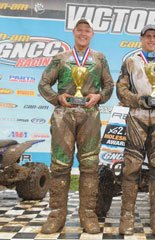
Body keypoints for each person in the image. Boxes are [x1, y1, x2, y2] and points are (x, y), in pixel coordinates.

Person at [38, 18, 114, 234]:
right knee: (60, 165)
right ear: (74, 33)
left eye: (87, 31)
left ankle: (88, 215)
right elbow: (43, 84)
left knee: (90, 166)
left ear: (92, 34)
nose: (83, 34)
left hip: (90, 115)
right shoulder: (60, 58)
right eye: (79, 30)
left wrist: (99, 96)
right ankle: (56, 215)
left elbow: (109, 85)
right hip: (64, 116)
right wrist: (57, 97)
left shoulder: (99, 58)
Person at [116, 24, 155, 236]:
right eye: (147, 36)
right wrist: (137, 100)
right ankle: (127, 216)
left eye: (154, 36)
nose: (151, 40)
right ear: (141, 39)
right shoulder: (131, 61)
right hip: (137, 116)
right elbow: (120, 88)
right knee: (131, 166)